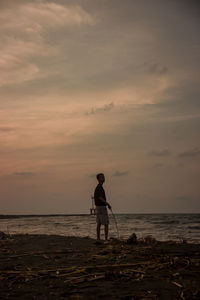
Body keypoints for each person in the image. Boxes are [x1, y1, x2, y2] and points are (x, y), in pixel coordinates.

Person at [94, 173, 111, 240]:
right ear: (98, 179)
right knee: (106, 223)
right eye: (102, 177)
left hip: (98, 207)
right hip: (101, 207)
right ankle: (106, 239)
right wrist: (107, 204)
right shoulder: (99, 187)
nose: (103, 178)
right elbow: (100, 197)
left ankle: (98, 238)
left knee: (99, 223)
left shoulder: (99, 187)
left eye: (104, 177)